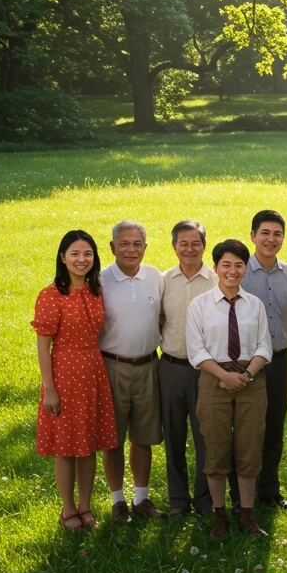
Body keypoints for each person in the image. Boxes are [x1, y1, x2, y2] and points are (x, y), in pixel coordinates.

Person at [186, 239, 272, 538]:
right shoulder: (199, 305)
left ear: (245, 269)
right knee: (216, 448)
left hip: (251, 380)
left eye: (238, 265)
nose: (232, 271)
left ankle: (247, 517)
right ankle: (219, 516)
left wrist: (245, 375)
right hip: (213, 379)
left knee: (249, 448)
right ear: (216, 267)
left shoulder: (255, 305)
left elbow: (265, 346)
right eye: (226, 265)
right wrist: (223, 375)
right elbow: (195, 350)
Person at [33, 231, 118, 532]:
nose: (81, 260)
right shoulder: (51, 294)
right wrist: (50, 389)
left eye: (88, 254)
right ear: (62, 257)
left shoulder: (96, 291)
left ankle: (85, 505)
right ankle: (68, 508)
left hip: (94, 372)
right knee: (66, 446)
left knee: (89, 443)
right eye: (75, 254)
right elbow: (44, 346)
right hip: (64, 374)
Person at [99, 220, 167, 523]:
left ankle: (141, 499)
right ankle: (118, 502)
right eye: (124, 244)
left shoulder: (155, 277)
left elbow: (164, 317)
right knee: (112, 438)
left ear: (145, 247)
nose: (131, 249)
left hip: (148, 366)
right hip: (111, 366)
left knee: (144, 436)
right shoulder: (99, 280)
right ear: (113, 247)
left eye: (137, 244)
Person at [241, 209, 287, 509]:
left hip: (278, 361)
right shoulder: (239, 272)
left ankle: (269, 490)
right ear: (252, 235)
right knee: (244, 429)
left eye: (277, 233)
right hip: (244, 363)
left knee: (274, 428)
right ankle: (241, 493)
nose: (271, 239)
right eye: (265, 232)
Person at [159, 219, 216, 517]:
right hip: (171, 368)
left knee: (206, 435)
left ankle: (205, 499)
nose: (190, 249)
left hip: (207, 372)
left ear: (204, 246)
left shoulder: (217, 280)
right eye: (184, 243)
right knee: (174, 436)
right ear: (174, 247)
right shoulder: (163, 281)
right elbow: (156, 321)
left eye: (196, 243)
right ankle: (178, 500)